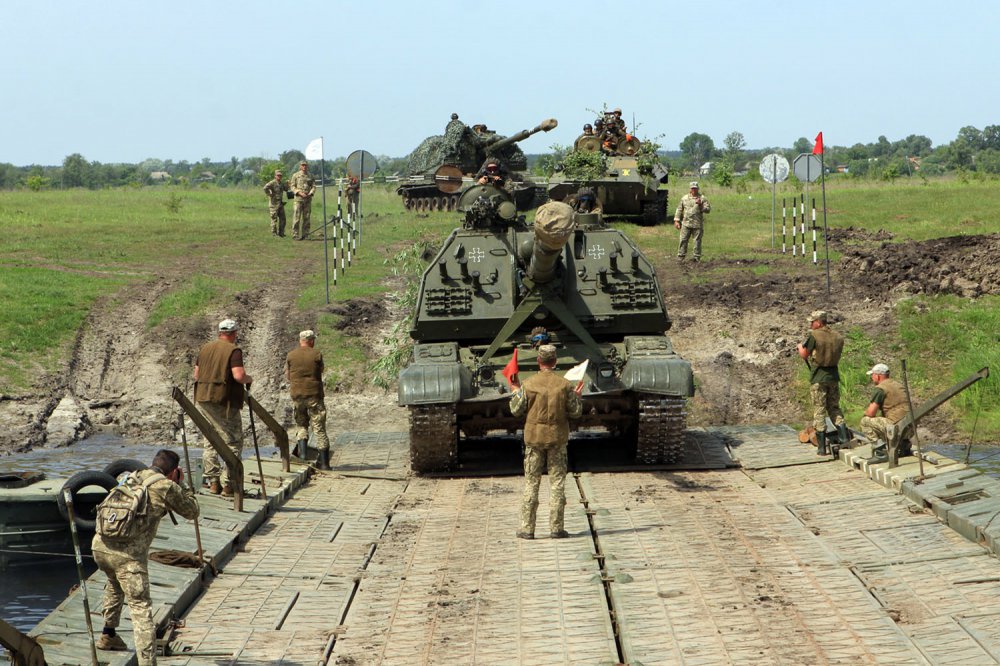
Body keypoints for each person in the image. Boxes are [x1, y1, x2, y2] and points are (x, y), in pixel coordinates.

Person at [92, 449, 199, 663]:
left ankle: (108, 635)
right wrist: (182, 484)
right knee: (140, 607)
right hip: (128, 557)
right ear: (174, 471)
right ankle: (147, 661)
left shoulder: (128, 477)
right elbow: (192, 511)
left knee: (114, 584)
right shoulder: (165, 486)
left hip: (100, 546)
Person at [509, 344, 583, 540]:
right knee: (557, 483)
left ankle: (527, 529)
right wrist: (577, 397)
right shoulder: (564, 385)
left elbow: (516, 411)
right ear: (555, 361)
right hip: (557, 439)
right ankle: (556, 529)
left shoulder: (529, 383)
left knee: (531, 483)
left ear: (538, 361)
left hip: (534, 440)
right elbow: (575, 412)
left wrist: (516, 391)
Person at [194, 319, 253, 497]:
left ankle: (213, 482)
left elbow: (196, 375)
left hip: (203, 398)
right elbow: (238, 375)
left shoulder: (204, 349)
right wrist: (249, 380)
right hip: (223, 400)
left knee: (210, 439)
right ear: (234, 333)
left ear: (219, 332)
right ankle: (230, 485)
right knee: (232, 440)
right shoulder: (233, 350)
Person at [796, 310, 847, 456]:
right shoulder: (837, 336)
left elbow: (805, 354)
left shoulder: (814, 335)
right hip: (833, 376)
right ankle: (844, 440)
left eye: (812, 322)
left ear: (818, 322)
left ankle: (822, 448)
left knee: (819, 410)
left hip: (819, 377)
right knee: (834, 408)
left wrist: (800, 347)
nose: (811, 325)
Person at [285, 329, 331, 470]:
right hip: (314, 396)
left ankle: (303, 457)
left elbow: (288, 376)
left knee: (301, 425)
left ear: (300, 341)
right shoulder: (316, 354)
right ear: (311, 341)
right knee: (319, 428)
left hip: (297, 396)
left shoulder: (291, 355)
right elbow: (320, 370)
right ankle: (324, 464)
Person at [859, 363, 913, 464]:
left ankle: (880, 453)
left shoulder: (881, 389)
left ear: (877, 376)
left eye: (872, 375)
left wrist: (865, 413)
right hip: (910, 427)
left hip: (896, 427)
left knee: (865, 421)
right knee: (887, 419)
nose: (871, 378)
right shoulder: (898, 385)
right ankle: (904, 446)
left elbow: (871, 413)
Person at [674, 181, 712, 262]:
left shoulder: (702, 198)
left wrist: (701, 204)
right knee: (683, 240)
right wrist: (677, 220)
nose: (694, 190)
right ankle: (681, 257)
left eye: (695, 188)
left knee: (697, 241)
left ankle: (696, 258)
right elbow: (679, 209)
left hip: (697, 224)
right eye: (692, 188)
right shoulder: (684, 198)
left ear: (698, 189)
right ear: (690, 189)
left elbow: (708, 210)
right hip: (686, 223)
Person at [289, 161, 316, 240]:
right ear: (300, 166)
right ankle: (295, 235)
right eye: (303, 165)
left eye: (305, 165)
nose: (304, 167)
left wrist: (311, 193)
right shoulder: (295, 175)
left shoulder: (310, 175)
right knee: (297, 217)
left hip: (307, 199)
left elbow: (313, 186)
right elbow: (292, 186)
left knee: (307, 218)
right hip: (298, 199)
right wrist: (299, 192)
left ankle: (306, 234)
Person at [263, 169, 290, 237]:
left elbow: (286, 189)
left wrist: (288, 184)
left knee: (283, 219)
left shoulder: (281, 183)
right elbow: (265, 188)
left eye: (280, 175)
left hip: (280, 204)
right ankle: (274, 234)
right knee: (274, 219)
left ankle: (281, 233)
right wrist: (269, 194)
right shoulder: (272, 183)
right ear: (275, 176)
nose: (279, 177)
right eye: (278, 175)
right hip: (273, 204)